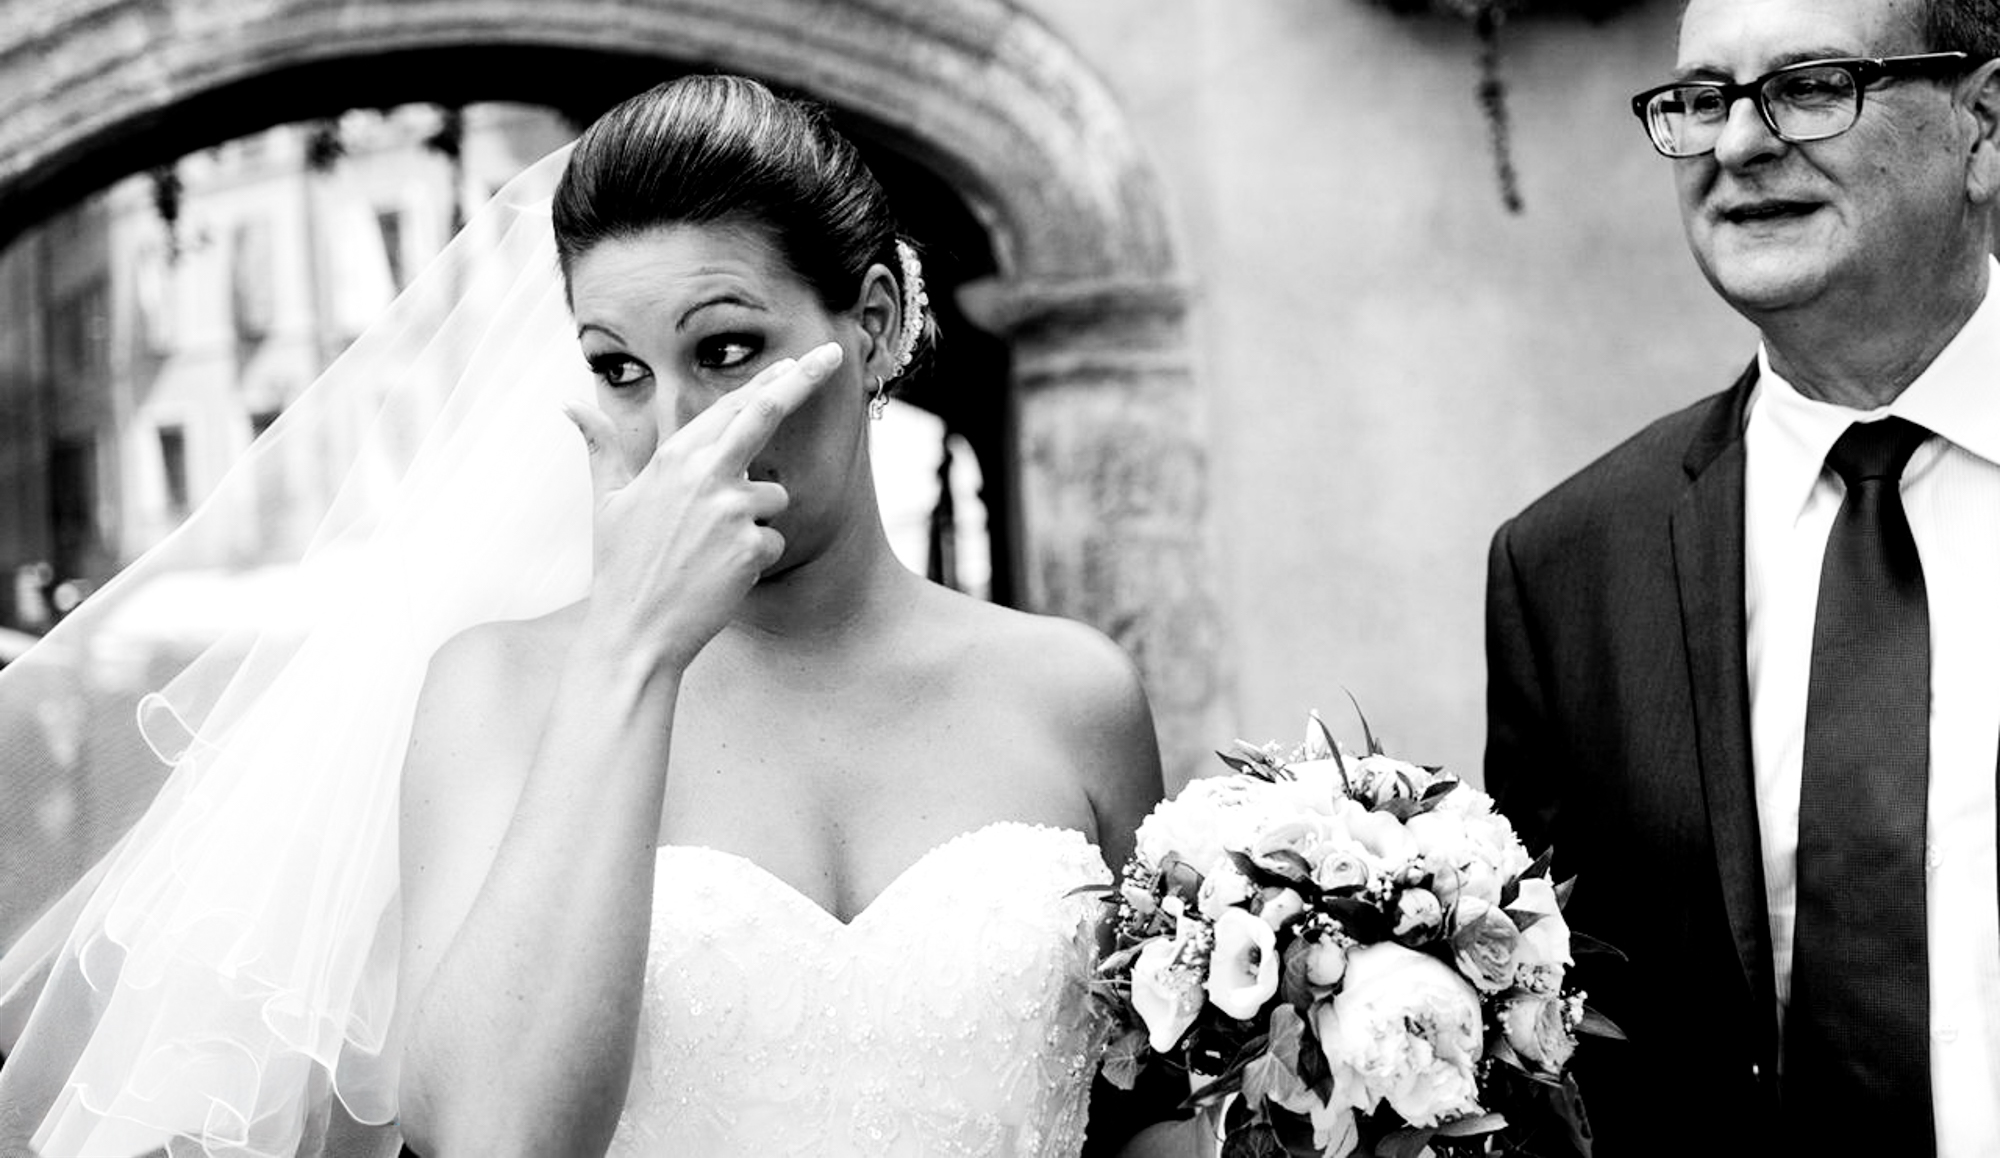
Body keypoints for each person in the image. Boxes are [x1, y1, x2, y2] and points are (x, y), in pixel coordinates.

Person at [0, 75, 1179, 1157]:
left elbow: (1151, 1126)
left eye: (726, 349)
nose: (674, 426)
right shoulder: (495, 692)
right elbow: (494, 1140)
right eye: (618, 367)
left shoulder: (1070, 696)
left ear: (867, 323)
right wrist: (634, 651)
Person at [1485, 0, 2000, 1158]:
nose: (1735, 145)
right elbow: (1563, 1060)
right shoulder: (1566, 568)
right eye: (1700, 98)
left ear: (1982, 125)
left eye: (1810, 86)